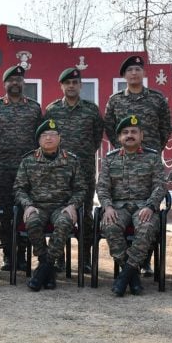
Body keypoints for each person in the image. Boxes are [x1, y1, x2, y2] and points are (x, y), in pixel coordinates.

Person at [103, 54, 170, 277]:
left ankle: (145, 261)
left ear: (144, 74)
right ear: (124, 75)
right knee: (117, 221)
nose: (134, 73)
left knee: (147, 217)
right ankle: (131, 268)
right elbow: (110, 127)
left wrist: (153, 148)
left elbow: (165, 128)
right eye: (130, 70)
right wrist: (123, 149)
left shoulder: (157, 99)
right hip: (123, 158)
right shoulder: (115, 100)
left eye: (138, 70)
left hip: (149, 159)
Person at [96, 115, 167, 297]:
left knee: (146, 227)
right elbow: (102, 187)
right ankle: (133, 277)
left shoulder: (152, 158)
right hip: (118, 207)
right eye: (125, 132)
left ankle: (125, 275)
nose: (129, 135)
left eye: (134, 132)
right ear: (119, 138)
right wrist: (107, 207)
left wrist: (151, 206)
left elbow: (160, 186)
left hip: (144, 206)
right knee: (109, 226)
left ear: (141, 135)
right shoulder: (110, 159)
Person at [44, 66, 103, 273]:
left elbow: (97, 138)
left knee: (84, 213)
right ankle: (58, 258)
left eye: (75, 83)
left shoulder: (91, 109)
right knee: (59, 211)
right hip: (58, 170)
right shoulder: (52, 110)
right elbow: (47, 138)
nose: (71, 86)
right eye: (67, 83)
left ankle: (85, 258)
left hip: (84, 169)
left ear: (80, 85)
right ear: (61, 86)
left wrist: (83, 155)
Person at [0, 65, 43, 272]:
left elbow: (41, 140)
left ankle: (23, 255)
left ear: (23, 83)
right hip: (2, 169)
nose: (15, 83)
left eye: (19, 80)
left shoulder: (34, 108)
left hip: (28, 170)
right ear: (5, 84)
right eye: (11, 80)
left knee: (26, 211)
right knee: (5, 214)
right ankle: (8, 254)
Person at [14, 119, 84, 292]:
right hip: (37, 206)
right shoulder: (28, 161)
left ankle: (44, 269)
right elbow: (19, 188)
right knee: (32, 222)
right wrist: (28, 205)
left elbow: (81, 188)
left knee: (65, 221)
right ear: (39, 140)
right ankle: (48, 269)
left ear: (59, 138)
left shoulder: (71, 160)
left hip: (62, 206)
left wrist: (73, 205)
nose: (49, 138)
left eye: (53, 135)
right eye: (44, 135)